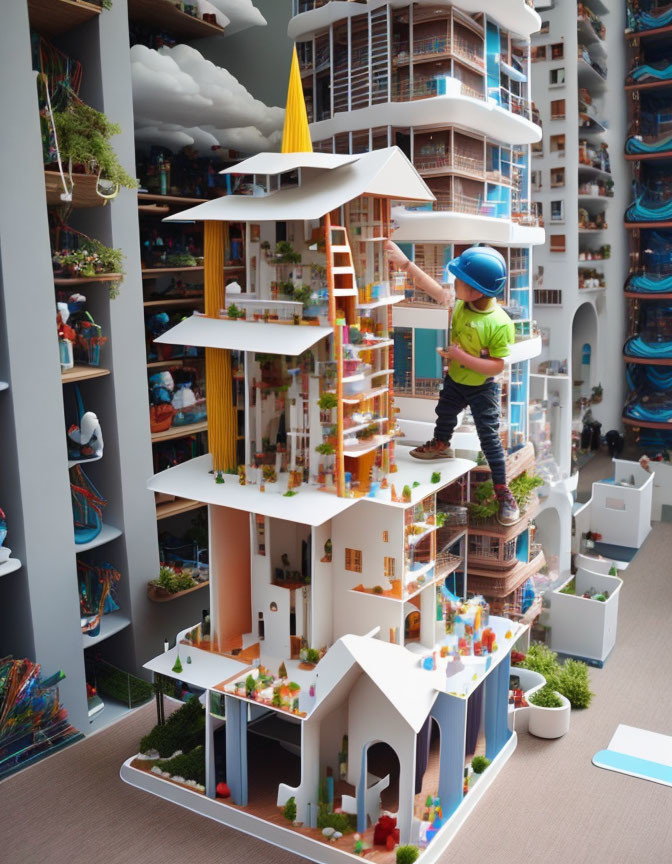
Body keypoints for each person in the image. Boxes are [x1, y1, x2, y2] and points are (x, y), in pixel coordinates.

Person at [385, 240, 520, 526]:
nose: (453, 282)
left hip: (482, 387)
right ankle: (442, 444)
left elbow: (497, 365)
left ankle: (503, 492)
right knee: (445, 412)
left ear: (475, 290)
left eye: (458, 279)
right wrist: (404, 263)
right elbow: (431, 287)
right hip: (456, 379)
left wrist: (460, 355)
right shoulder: (461, 303)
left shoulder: (499, 323)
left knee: (490, 438)